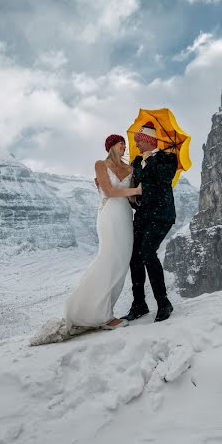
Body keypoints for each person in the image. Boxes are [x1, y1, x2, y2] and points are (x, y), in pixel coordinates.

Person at [64, 134, 141, 331]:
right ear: (111, 146)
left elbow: (132, 201)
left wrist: (138, 191)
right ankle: (90, 312)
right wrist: (136, 191)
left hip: (125, 215)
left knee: (121, 264)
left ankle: (106, 312)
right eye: (120, 143)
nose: (124, 146)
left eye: (125, 143)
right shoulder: (101, 164)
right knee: (108, 259)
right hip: (109, 214)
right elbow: (109, 192)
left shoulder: (130, 168)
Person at [122, 121, 177, 323]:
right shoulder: (137, 163)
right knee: (134, 256)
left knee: (147, 251)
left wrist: (151, 160)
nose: (136, 144)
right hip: (143, 215)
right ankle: (139, 304)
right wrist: (133, 199)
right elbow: (137, 189)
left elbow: (164, 179)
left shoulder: (167, 158)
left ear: (148, 140)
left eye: (139, 140)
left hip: (162, 215)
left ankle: (163, 303)